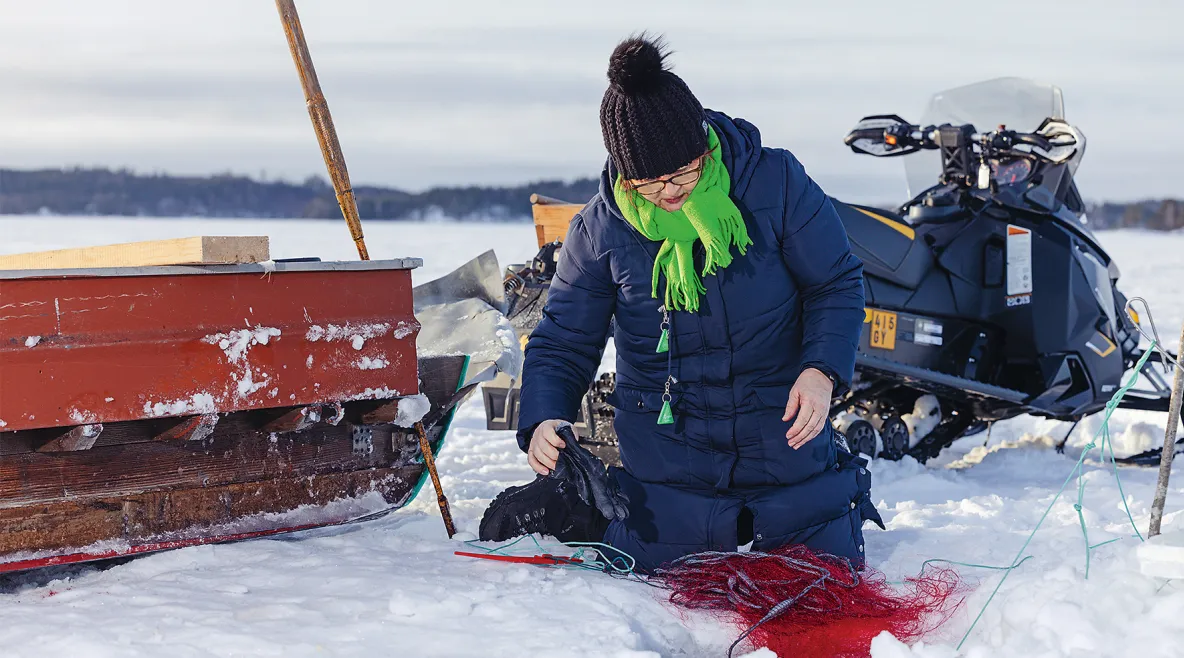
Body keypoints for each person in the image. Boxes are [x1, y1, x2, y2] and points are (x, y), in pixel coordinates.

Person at [489, 34, 882, 573]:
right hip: (670, 465)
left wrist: (820, 371)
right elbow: (564, 339)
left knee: (822, 576)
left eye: (681, 175)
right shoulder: (600, 229)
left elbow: (835, 284)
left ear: (702, 145)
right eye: (647, 183)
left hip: (784, 440)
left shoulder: (775, 183)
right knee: (669, 576)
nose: (668, 193)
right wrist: (543, 417)